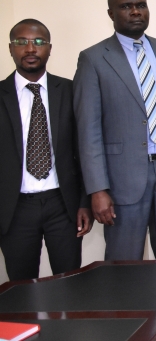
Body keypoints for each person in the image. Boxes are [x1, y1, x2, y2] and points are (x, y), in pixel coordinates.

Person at [74, 0, 156, 260]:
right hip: (122, 178)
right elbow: (88, 131)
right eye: (126, 7)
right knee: (123, 264)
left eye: (140, 5)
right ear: (111, 13)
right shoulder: (93, 59)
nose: (135, 11)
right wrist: (97, 189)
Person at [0, 19, 92, 280]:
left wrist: (85, 202)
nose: (31, 48)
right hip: (14, 209)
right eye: (22, 42)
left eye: (39, 42)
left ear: (49, 48)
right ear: (10, 48)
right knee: (21, 288)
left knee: (69, 283)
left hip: (63, 205)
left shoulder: (70, 90)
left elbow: (84, 149)